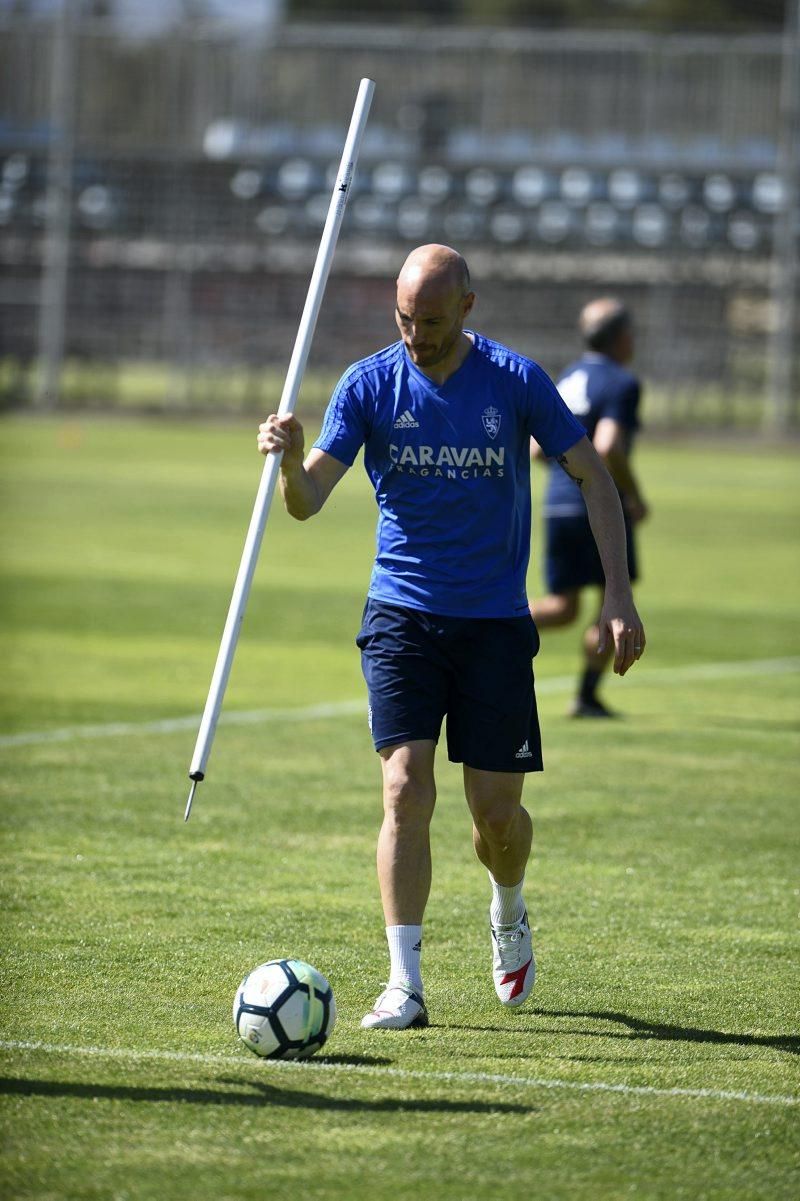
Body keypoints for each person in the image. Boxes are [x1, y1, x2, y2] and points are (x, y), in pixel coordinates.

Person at [257, 246, 645, 1030]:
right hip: (400, 614)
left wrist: (619, 591)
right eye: (403, 318)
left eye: (430, 321)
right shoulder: (368, 383)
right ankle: (405, 981)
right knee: (405, 787)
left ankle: (508, 904)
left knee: (496, 817)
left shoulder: (516, 380)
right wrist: (292, 462)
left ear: (467, 308)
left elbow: (593, 475)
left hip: (495, 623)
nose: (415, 334)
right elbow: (308, 500)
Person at [530, 298, 648, 718]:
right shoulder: (620, 382)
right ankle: (587, 695)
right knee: (610, 603)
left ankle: (490, 626)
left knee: (562, 607)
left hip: (558, 505)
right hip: (597, 505)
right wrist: (631, 494)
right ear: (621, 337)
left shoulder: (567, 377)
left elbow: (536, 450)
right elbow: (608, 445)